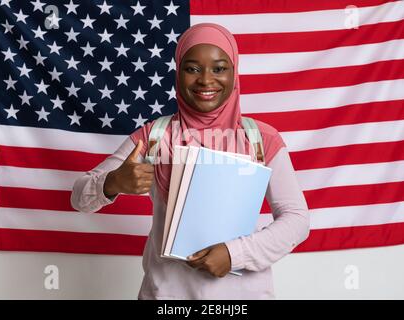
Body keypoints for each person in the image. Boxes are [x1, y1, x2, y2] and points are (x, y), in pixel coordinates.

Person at [71, 23, 310, 300]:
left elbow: (297, 220)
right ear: (178, 72)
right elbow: (79, 198)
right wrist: (112, 182)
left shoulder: (260, 139)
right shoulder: (154, 136)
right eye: (192, 68)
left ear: (235, 72)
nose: (206, 80)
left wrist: (235, 254)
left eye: (219, 68)